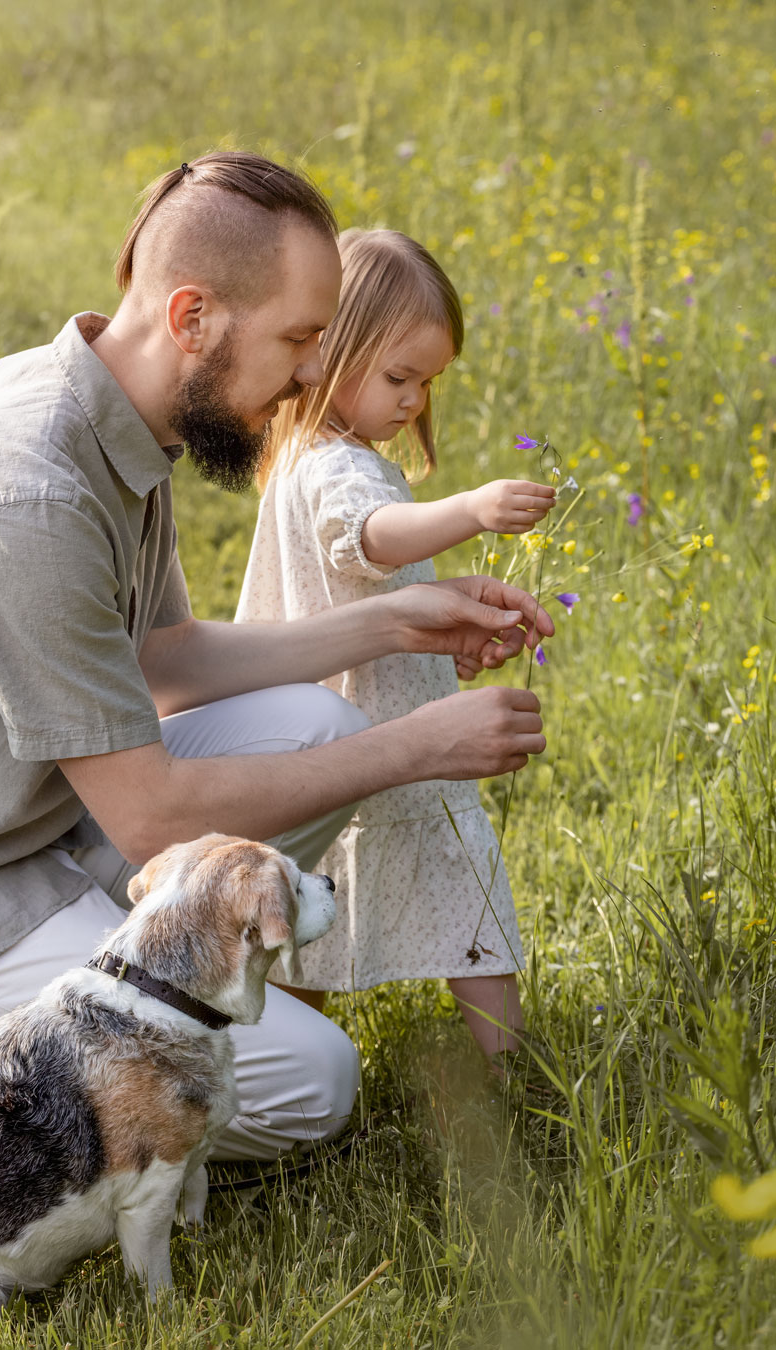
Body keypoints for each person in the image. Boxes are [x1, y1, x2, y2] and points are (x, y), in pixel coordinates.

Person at [0, 156, 552, 1155]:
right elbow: (149, 814)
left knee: (316, 722)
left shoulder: (113, 419)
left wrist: (396, 622)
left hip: (21, 830)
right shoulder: (33, 489)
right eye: (298, 339)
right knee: (310, 1085)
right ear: (193, 318)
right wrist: (417, 746)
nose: (315, 375)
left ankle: (24, 1039)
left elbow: (165, 659)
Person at [236, 228, 556, 1062]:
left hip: (324, 739)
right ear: (333, 350)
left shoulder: (306, 456)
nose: (413, 400)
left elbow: (364, 595)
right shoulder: (344, 470)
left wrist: (439, 644)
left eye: (427, 383)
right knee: (467, 893)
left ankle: (279, 1052)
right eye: (397, 377)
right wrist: (472, 508)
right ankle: (512, 1064)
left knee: (305, 914)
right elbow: (371, 539)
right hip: (388, 746)